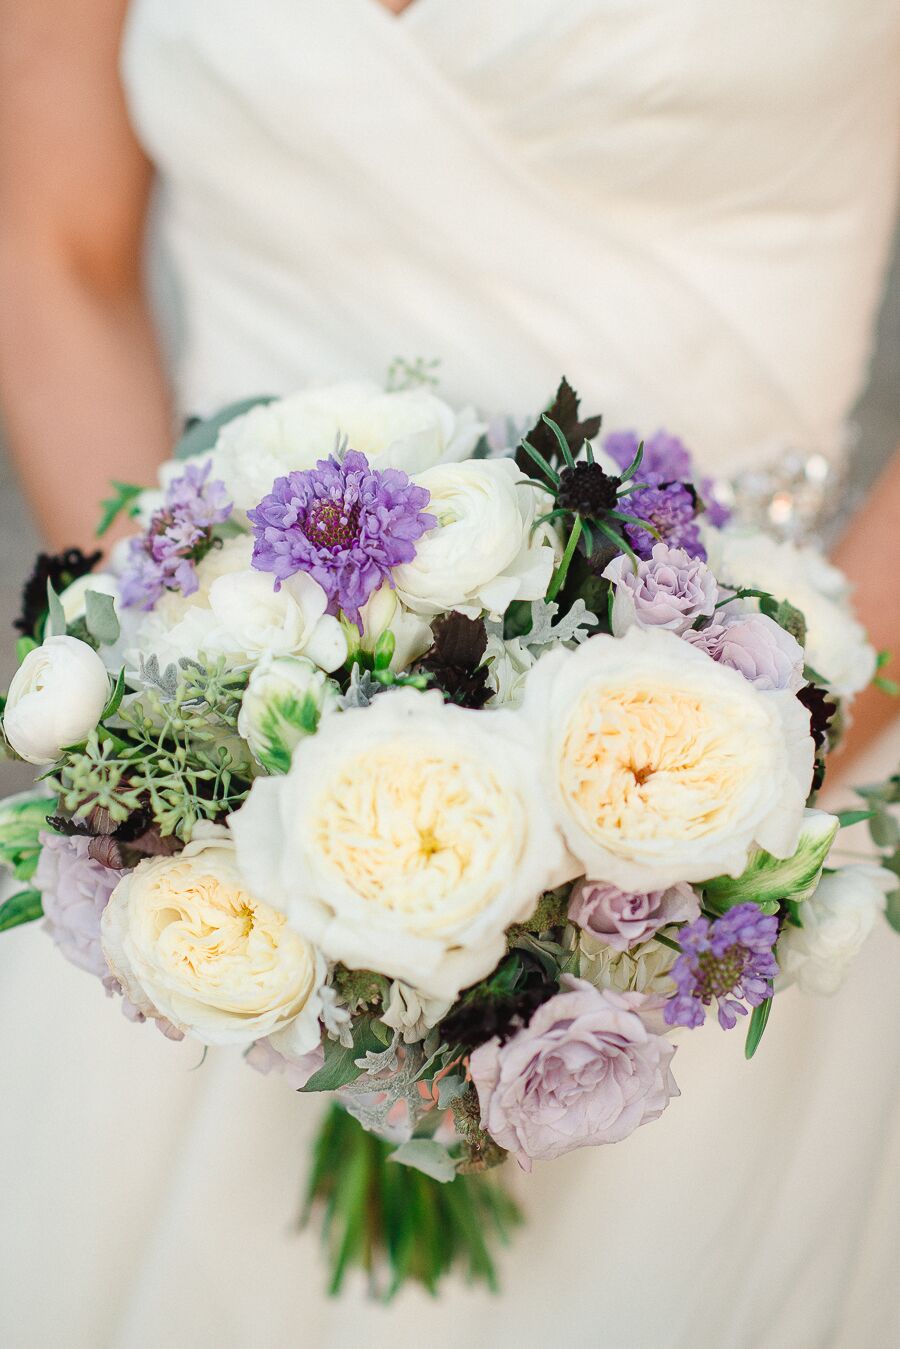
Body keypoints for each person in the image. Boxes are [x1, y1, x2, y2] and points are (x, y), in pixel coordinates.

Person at [0, 3, 898, 1346]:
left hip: (734, 834)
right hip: (218, 867)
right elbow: (53, 247)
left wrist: (718, 795)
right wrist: (174, 727)